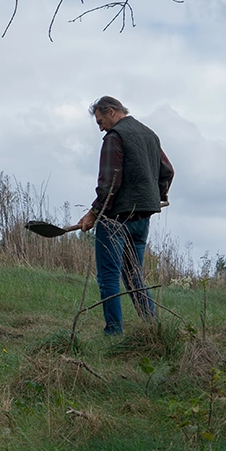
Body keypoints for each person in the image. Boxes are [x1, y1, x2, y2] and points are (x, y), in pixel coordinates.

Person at [75, 96, 174, 335]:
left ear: (111, 112)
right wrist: (156, 195)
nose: (100, 127)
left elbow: (109, 183)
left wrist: (93, 213)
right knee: (134, 277)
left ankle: (113, 331)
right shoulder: (150, 135)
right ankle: (153, 328)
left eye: (100, 121)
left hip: (115, 220)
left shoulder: (115, 137)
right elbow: (168, 172)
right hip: (142, 220)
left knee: (108, 276)